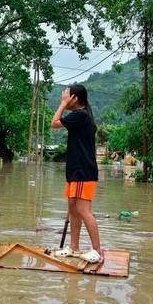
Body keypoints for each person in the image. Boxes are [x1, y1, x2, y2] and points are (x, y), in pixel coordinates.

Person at [51, 84, 102, 263]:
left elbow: (54, 123)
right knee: (73, 208)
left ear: (75, 99)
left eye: (67, 96)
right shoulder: (81, 116)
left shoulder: (80, 115)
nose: (64, 98)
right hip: (75, 171)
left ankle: (97, 250)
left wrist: (63, 105)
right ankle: (73, 247)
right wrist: (66, 102)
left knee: (83, 210)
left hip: (83, 171)